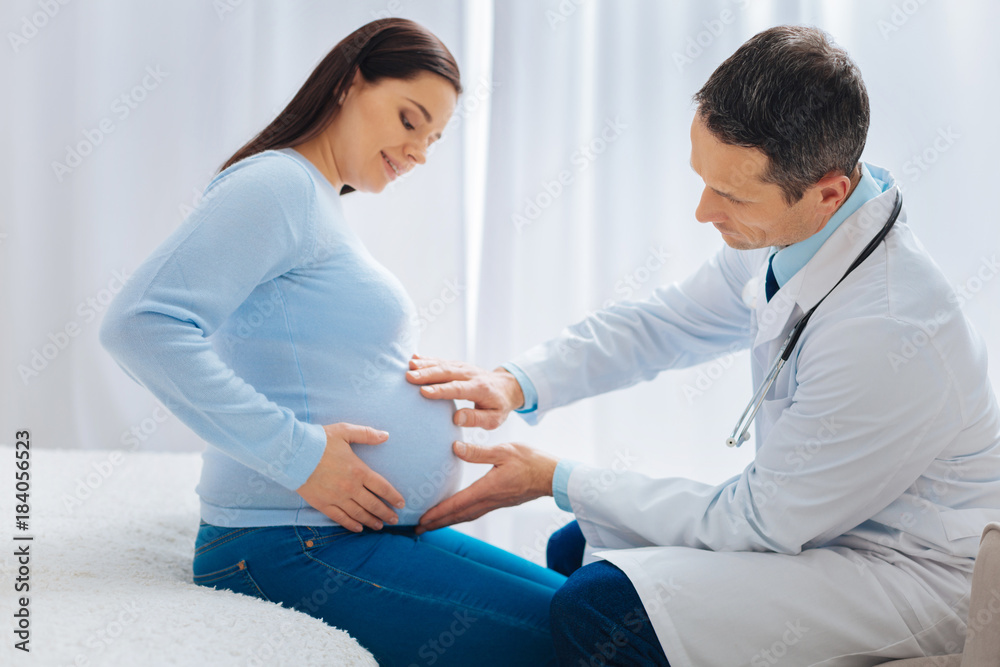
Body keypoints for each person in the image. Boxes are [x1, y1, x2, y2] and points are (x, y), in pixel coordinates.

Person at [406, 25, 1000, 665]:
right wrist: (517, 381)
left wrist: (555, 476)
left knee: (604, 607)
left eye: (732, 194)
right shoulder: (799, 238)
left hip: (912, 573)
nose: (702, 211)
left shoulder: (889, 326)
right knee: (575, 546)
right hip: (824, 529)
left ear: (828, 191)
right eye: (703, 178)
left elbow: (760, 521)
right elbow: (665, 324)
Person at [99, 18, 564, 666]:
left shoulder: (316, 201)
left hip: (346, 531)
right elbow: (140, 325)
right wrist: (300, 455)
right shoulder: (278, 185)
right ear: (350, 83)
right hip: (284, 543)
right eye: (409, 120)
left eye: (432, 139)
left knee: (597, 609)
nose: (420, 152)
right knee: (591, 637)